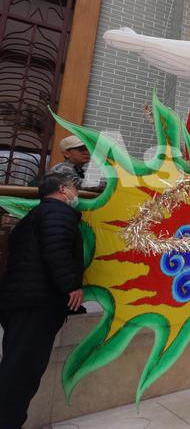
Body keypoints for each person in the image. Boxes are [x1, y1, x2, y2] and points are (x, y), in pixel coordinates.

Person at [0, 172, 85, 429]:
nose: (77, 194)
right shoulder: (57, 213)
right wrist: (72, 286)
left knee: (16, 366)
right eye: (74, 189)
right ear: (62, 190)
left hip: (22, 301)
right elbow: (57, 251)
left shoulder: (36, 215)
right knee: (22, 372)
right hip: (35, 305)